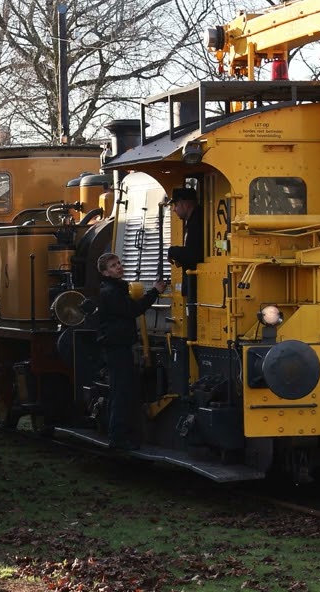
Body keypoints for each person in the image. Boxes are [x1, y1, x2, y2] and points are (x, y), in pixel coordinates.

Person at [95, 252, 166, 451]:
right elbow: (132, 310)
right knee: (121, 392)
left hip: (119, 345)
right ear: (105, 272)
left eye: (118, 263)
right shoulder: (111, 292)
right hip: (117, 347)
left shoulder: (115, 289)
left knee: (124, 391)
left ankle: (122, 435)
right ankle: (118, 438)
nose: (118, 267)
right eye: (113, 265)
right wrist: (154, 292)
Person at [166, 187, 204, 270]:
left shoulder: (197, 222)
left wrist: (172, 251)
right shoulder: (194, 220)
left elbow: (194, 253)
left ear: (186, 204)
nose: (174, 209)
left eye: (176, 205)